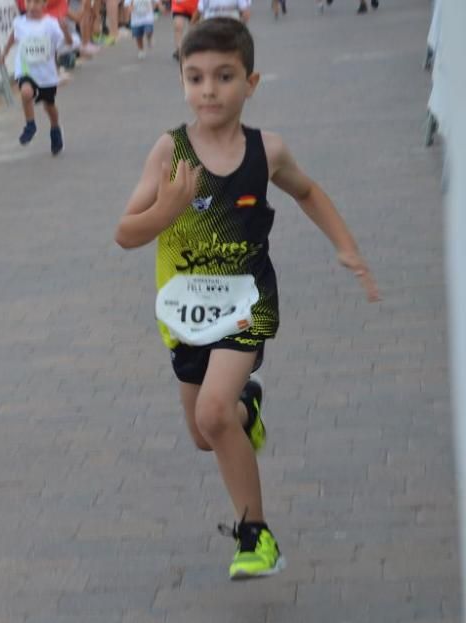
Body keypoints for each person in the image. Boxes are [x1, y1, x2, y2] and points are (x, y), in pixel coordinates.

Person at [113, 18, 379, 580]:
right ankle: (246, 407)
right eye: (195, 77)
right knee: (206, 433)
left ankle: (255, 534)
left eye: (224, 76)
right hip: (185, 314)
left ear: (251, 83)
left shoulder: (268, 150)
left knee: (211, 412)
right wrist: (167, 209)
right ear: (182, 81)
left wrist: (346, 246)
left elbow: (307, 191)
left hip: (245, 304)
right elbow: (126, 233)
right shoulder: (170, 152)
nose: (208, 90)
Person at [0, 0, 72, 156]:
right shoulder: (19, 22)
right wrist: (4, 52)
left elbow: (68, 43)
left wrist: (66, 31)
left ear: (44, 5)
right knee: (26, 92)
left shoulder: (51, 24)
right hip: (26, 69)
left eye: (37, 3)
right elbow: (14, 36)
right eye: (29, 2)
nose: (32, 6)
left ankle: (55, 128)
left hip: (46, 73)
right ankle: (30, 125)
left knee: (49, 106)